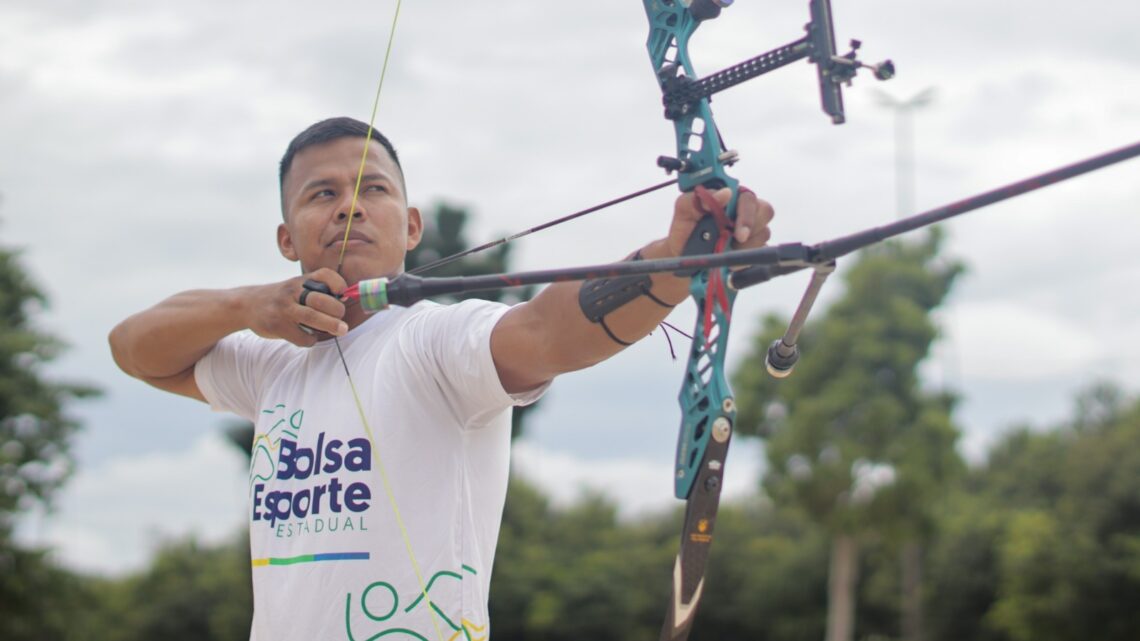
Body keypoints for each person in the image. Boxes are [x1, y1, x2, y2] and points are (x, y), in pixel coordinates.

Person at [109, 117, 773, 640]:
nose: (349, 207)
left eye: (373, 188)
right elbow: (132, 346)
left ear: (413, 224)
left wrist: (670, 261)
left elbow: (547, 331)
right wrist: (247, 306)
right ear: (288, 238)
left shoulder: (433, 339)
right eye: (323, 194)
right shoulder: (270, 363)